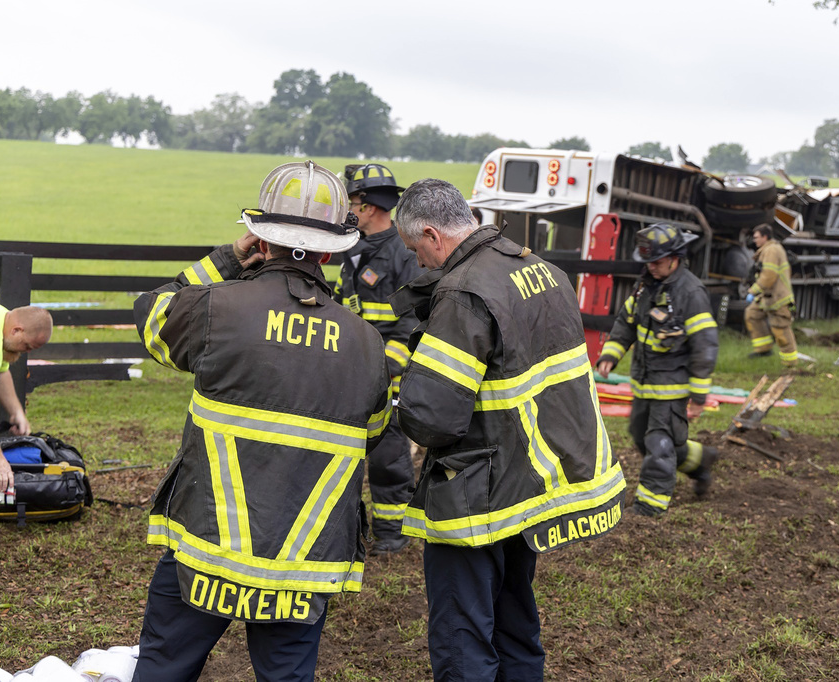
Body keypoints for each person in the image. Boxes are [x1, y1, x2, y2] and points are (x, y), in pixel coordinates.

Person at [131, 160, 392, 682]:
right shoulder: (368, 344)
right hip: (303, 560)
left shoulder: (215, 310)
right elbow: (374, 431)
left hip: (209, 550)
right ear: (329, 250)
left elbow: (151, 313)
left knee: (165, 666)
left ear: (259, 238)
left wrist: (224, 260)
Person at [389, 179, 626, 681]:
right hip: (532, 482)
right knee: (515, 619)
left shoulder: (462, 292)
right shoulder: (541, 269)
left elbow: (432, 417)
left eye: (415, 250)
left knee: (463, 633)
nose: (419, 264)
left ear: (432, 235)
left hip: (478, 492)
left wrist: (395, 397)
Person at [595, 222, 720, 514]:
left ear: (675, 257)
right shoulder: (645, 286)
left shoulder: (691, 293)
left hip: (672, 389)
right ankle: (700, 461)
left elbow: (705, 347)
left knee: (659, 444)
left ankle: (649, 508)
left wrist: (699, 396)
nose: (651, 267)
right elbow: (626, 322)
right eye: (648, 261)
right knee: (643, 438)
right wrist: (610, 355)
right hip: (644, 384)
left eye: (657, 261)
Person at [334, 162, 423, 556]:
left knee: (388, 456)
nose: (349, 209)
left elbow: (412, 322)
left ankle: (391, 530)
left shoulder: (402, 254)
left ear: (369, 207)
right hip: (350, 372)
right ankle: (352, 525)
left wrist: (386, 368)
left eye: (353, 202)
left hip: (389, 377)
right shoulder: (351, 249)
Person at [0, 304, 52, 494]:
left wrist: (17, 412)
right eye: (26, 346)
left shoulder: (0, 315)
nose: (25, 352)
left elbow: (1, 372)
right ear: (17, 330)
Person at [744, 223, 798, 366]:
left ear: (765, 237)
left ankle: (790, 362)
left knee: (780, 329)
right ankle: (763, 349)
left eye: (757, 237)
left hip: (778, 297)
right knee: (752, 314)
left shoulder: (772, 250)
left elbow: (769, 276)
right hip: (767, 296)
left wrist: (753, 290)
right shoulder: (767, 249)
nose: (754, 240)